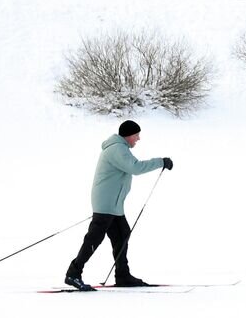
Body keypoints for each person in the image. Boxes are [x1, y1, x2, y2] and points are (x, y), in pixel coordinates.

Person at [64, 121, 173, 290]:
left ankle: (123, 275)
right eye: (136, 135)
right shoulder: (117, 149)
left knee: (122, 235)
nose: (138, 138)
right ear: (128, 135)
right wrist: (161, 162)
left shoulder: (120, 148)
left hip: (114, 204)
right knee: (94, 238)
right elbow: (135, 168)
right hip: (106, 203)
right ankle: (73, 274)